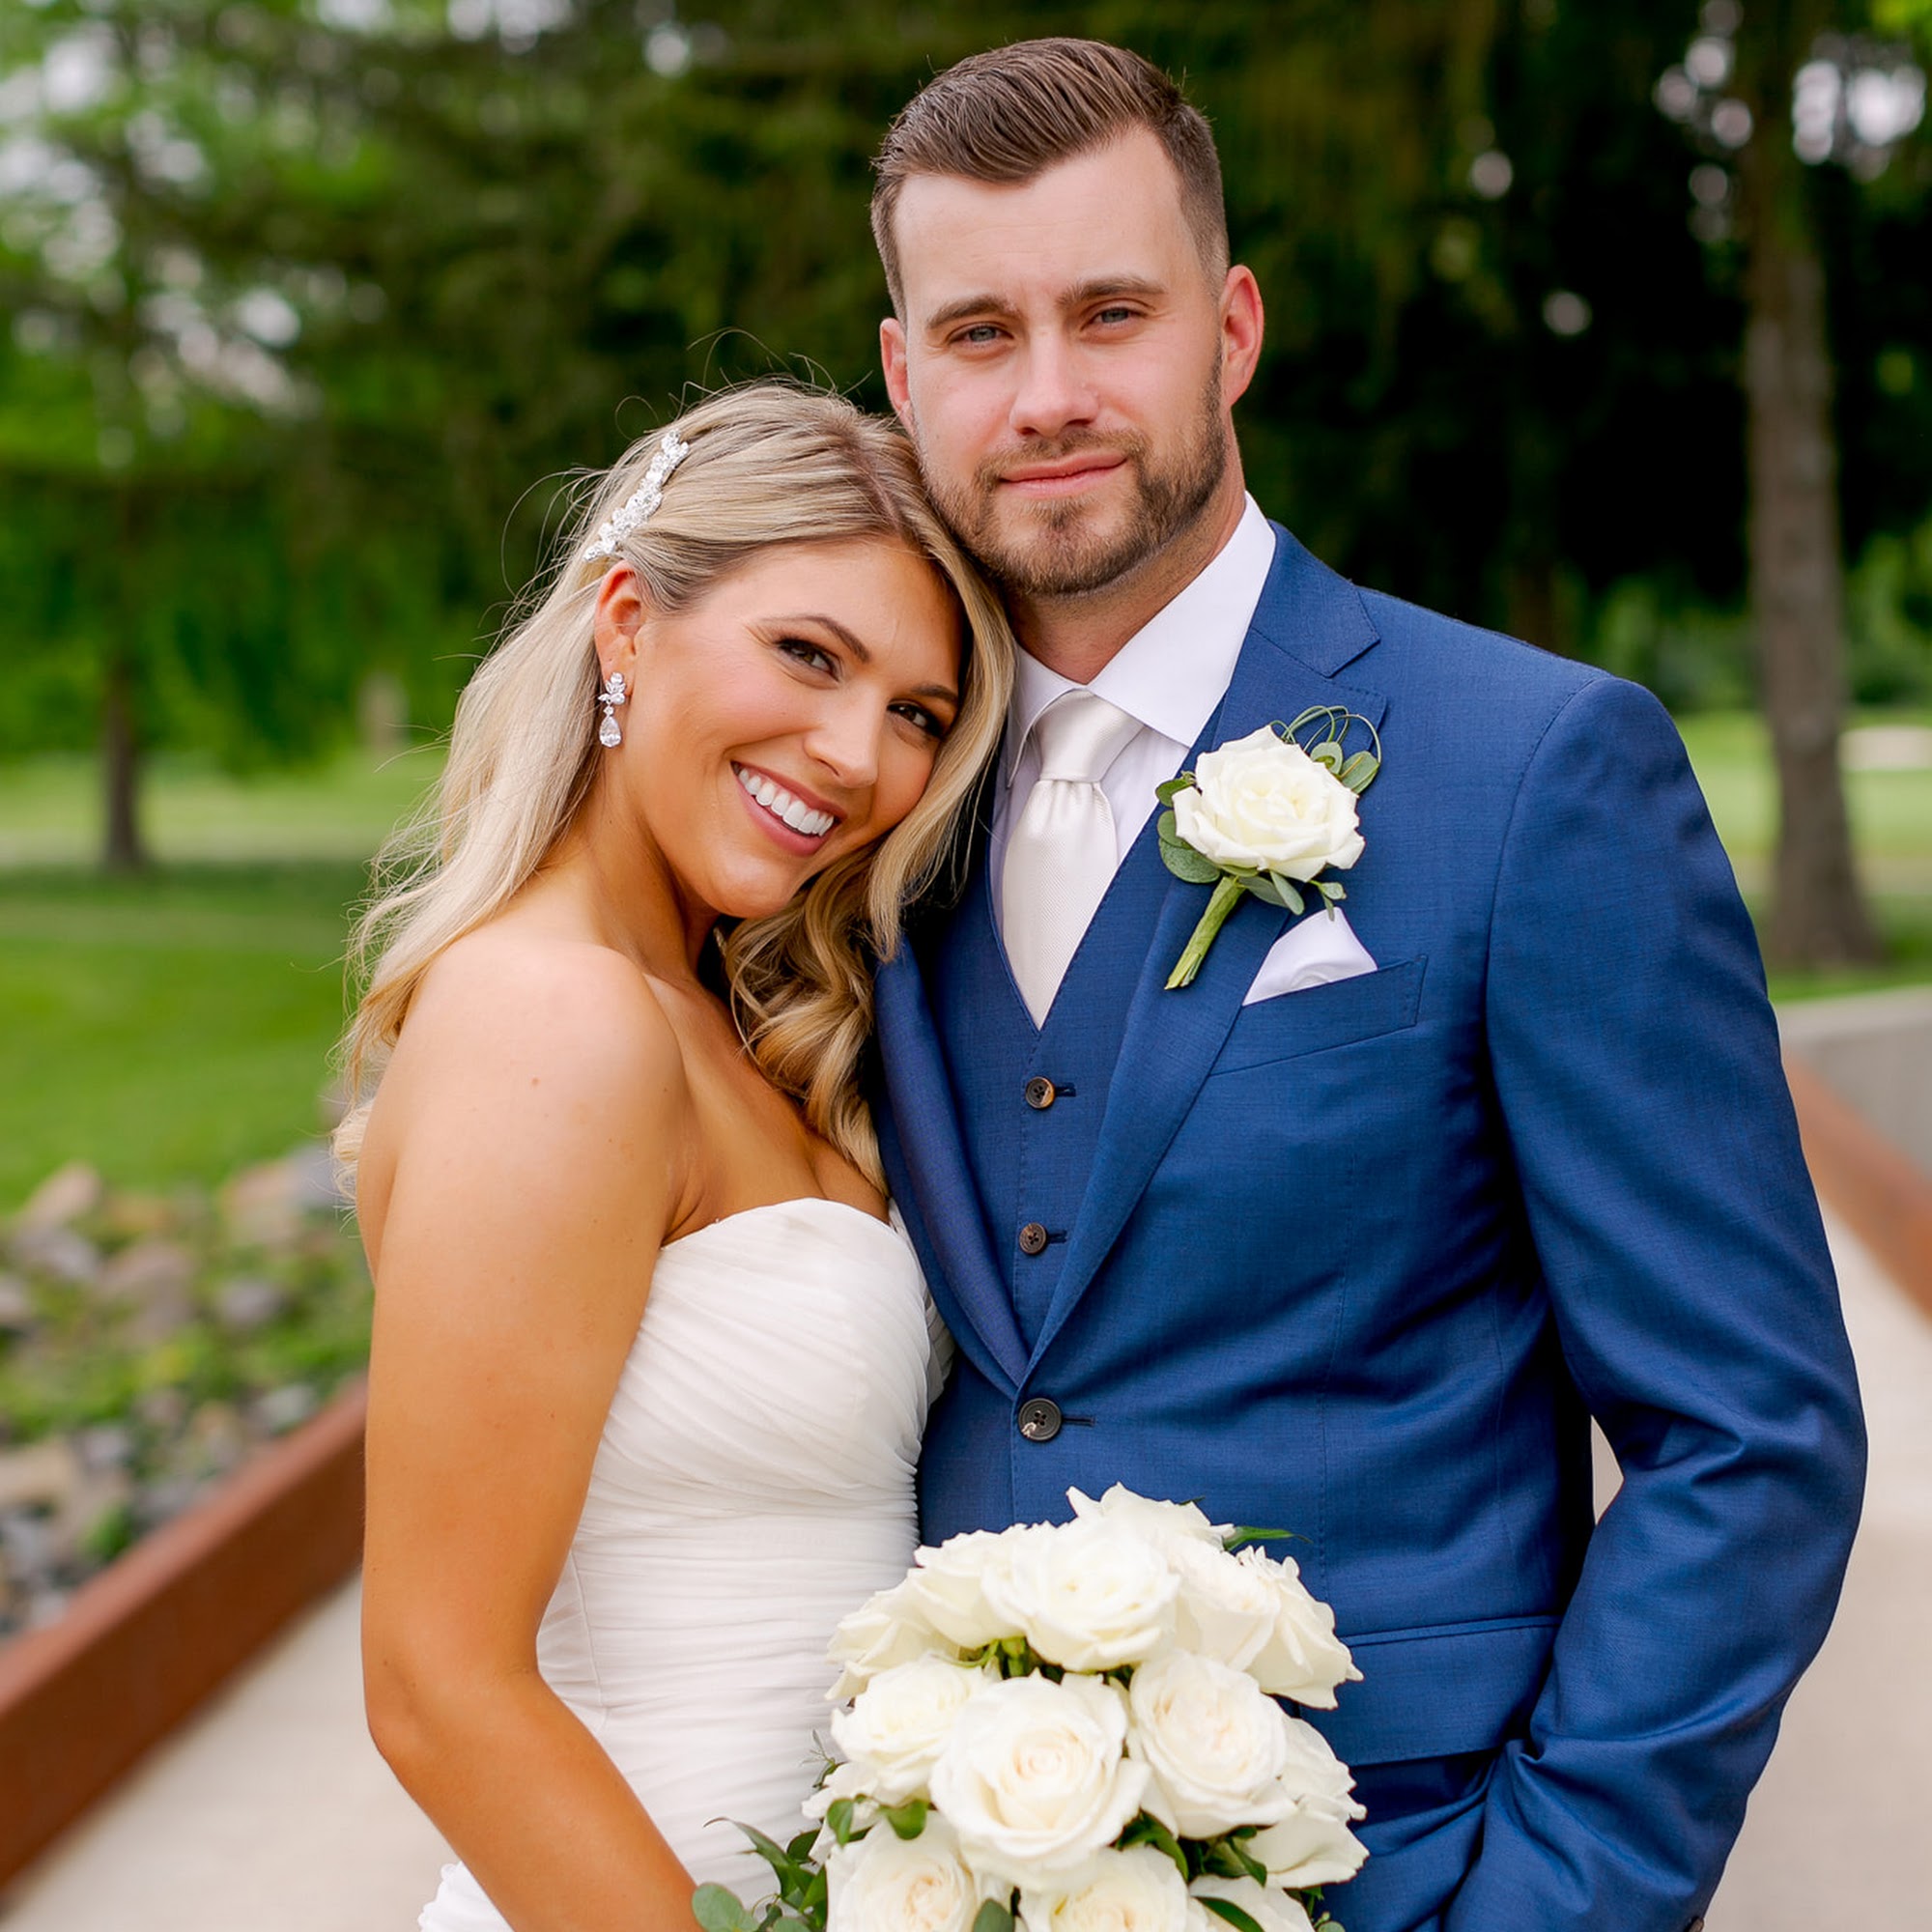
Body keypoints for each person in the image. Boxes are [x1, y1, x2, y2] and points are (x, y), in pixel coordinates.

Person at [863, 39, 1867, 1932]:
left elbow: (1747, 1436)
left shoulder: (1536, 768)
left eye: (1111, 314)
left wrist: (1552, 1901)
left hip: (1406, 1864)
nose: (1050, 394)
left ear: (1231, 329)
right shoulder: (857, 806)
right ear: (907, 377)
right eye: (982, 334)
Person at [336, 384, 1012, 1927]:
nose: (855, 755)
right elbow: (438, 1685)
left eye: (917, 714)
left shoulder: (729, 1022)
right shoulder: (556, 1018)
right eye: (809, 655)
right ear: (628, 624)